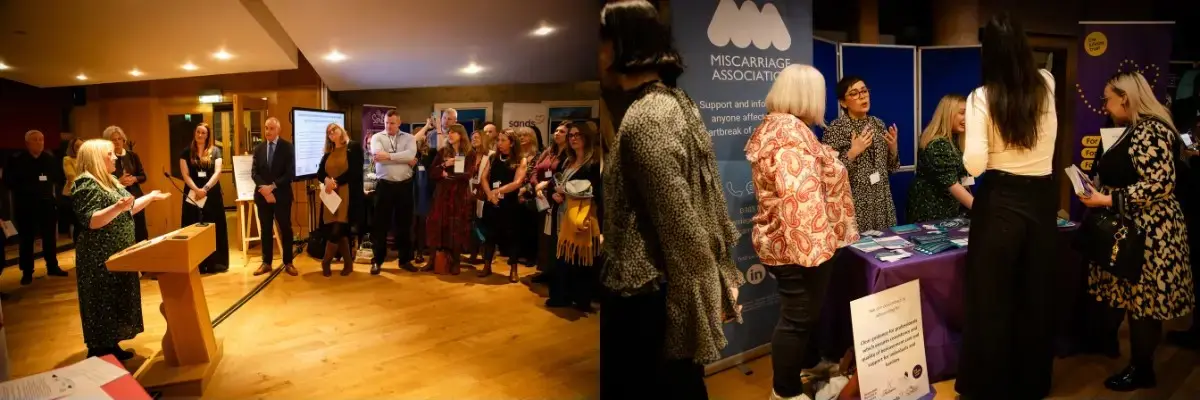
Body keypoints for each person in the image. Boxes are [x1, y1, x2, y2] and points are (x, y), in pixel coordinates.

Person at [598, 2, 742, 398]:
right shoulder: (672, 103)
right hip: (656, 288)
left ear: (619, 46)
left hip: (649, 294)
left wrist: (701, 308)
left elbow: (680, 221)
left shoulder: (649, 116)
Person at [956, 14, 1059, 399]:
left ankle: (987, 385)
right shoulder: (1046, 84)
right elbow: (1047, 146)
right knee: (1035, 294)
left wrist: (971, 135)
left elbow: (975, 165)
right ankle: (1032, 383)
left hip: (1000, 198)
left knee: (990, 296)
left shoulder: (981, 97)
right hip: (1041, 197)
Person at [745, 64, 859, 400]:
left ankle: (807, 364)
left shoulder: (784, 129)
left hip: (794, 244)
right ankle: (785, 392)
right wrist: (817, 252)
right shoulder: (788, 136)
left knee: (803, 316)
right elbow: (799, 201)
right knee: (796, 318)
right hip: (797, 248)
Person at [1079, 71, 1193, 391]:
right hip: (1137, 227)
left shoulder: (1150, 130)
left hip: (1152, 231)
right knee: (1136, 301)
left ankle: (1142, 369)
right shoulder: (1133, 129)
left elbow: (1160, 183)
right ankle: (1138, 365)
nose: (1105, 105)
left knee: (1145, 303)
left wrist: (1106, 198)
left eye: (1108, 99)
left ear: (1125, 98)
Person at [72, 139, 170, 359]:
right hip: (99, 257)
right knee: (101, 300)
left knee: (116, 299)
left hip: (118, 254)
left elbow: (129, 209)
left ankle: (112, 346)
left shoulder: (110, 181)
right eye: (110, 154)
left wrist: (151, 197)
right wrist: (116, 207)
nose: (116, 157)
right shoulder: (85, 183)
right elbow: (91, 221)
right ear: (97, 157)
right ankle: (98, 352)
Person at [821, 76, 900, 232]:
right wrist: (853, 152)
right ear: (843, 102)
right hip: (855, 201)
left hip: (881, 201)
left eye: (864, 91)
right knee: (859, 252)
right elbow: (829, 174)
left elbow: (892, 168)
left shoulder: (878, 123)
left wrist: (893, 148)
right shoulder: (836, 129)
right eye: (854, 93)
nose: (862, 96)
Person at [546, 120, 602, 311]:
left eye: (578, 135)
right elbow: (555, 183)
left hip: (582, 217)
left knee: (580, 259)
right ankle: (562, 295)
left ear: (587, 137)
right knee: (563, 256)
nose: (574, 138)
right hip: (562, 214)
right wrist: (554, 193)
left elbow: (596, 191)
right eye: (571, 135)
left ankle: (581, 298)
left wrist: (567, 192)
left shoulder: (594, 163)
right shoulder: (567, 161)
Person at [4, 130, 67, 285]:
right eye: (35, 140)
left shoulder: (49, 159)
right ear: (27, 143)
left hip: (46, 204)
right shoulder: (17, 160)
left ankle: (52, 266)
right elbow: (8, 181)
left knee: (49, 238)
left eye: (41, 139)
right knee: (26, 240)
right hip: (25, 205)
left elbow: (59, 178)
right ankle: (27, 271)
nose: (39, 142)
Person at [907, 94, 973, 223]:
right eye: (962, 113)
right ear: (948, 114)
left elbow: (963, 180)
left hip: (950, 209)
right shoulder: (937, 144)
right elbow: (952, 184)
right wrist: (982, 211)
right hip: (930, 210)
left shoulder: (957, 141)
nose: (967, 118)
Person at [370, 110, 419, 275]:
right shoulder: (377, 137)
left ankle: (405, 260)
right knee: (380, 226)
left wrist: (388, 156)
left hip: (405, 186)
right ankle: (377, 260)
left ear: (399, 123)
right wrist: (402, 158)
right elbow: (378, 155)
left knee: (404, 225)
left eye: (392, 123)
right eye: (386, 123)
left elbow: (411, 154)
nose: (388, 126)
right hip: (384, 186)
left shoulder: (410, 138)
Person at [178, 123, 231, 274]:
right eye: (198, 132)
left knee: (214, 226)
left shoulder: (216, 151)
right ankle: (196, 264)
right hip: (193, 193)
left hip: (211, 194)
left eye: (203, 133)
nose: (200, 135)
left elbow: (218, 171)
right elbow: (185, 174)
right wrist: (196, 190)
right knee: (193, 227)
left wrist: (206, 188)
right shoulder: (185, 152)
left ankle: (216, 263)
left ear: (208, 136)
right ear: (195, 133)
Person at [427, 124, 478, 275]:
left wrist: (446, 176)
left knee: (457, 228)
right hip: (443, 195)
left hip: (459, 195)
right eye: (449, 132)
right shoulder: (443, 152)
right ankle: (433, 260)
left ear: (461, 135)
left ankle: (456, 261)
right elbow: (432, 172)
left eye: (453, 132)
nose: (450, 135)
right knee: (438, 225)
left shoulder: (469, 153)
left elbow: (467, 175)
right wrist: (445, 164)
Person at [479, 129, 527, 282]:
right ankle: (487, 266)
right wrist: (489, 194)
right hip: (492, 201)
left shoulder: (520, 159)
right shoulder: (493, 157)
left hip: (509, 203)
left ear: (512, 143)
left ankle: (513, 269)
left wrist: (498, 191)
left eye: (503, 140)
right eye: (498, 140)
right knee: (489, 235)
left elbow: (517, 182)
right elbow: (484, 177)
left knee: (512, 236)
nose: (499, 143)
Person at [316, 123, 363, 276]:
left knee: (339, 227)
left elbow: (355, 171)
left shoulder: (353, 147)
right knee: (337, 229)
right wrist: (326, 180)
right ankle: (348, 264)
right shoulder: (328, 152)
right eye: (329, 132)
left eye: (334, 129)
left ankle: (326, 261)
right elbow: (320, 172)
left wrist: (335, 181)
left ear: (341, 130)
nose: (331, 133)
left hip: (347, 194)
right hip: (331, 195)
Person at [252, 117, 297, 276]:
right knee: (265, 230)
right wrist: (264, 189)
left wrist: (272, 187)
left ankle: (288, 262)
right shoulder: (258, 149)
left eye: (271, 128)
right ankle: (266, 262)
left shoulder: (287, 147)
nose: (268, 131)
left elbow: (290, 173)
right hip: (262, 197)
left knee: (285, 228)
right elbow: (254, 173)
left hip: (281, 196)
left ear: (278, 130)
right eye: (266, 128)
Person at [531, 122, 569, 283]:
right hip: (542, 196)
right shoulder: (549, 151)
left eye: (562, 131)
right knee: (544, 234)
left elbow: (563, 175)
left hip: (557, 197)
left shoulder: (568, 155)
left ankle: (555, 272)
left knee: (555, 234)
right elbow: (535, 170)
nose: (557, 133)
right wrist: (536, 186)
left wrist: (547, 185)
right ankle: (545, 269)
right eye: (556, 130)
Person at [104, 126, 149, 242]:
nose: (117, 142)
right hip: (118, 199)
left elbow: (143, 176)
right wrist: (119, 182)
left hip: (135, 196)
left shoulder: (133, 156)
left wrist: (134, 179)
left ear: (124, 140)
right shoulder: (107, 159)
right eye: (113, 140)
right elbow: (104, 181)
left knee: (140, 231)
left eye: (119, 139)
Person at [61, 138, 84, 242]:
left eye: (81, 146)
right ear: (72, 148)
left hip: (87, 195)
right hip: (72, 195)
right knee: (78, 225)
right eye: (77, 146)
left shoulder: (88, 160)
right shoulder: (67, 159)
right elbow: (72, 177)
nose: (79, 148)